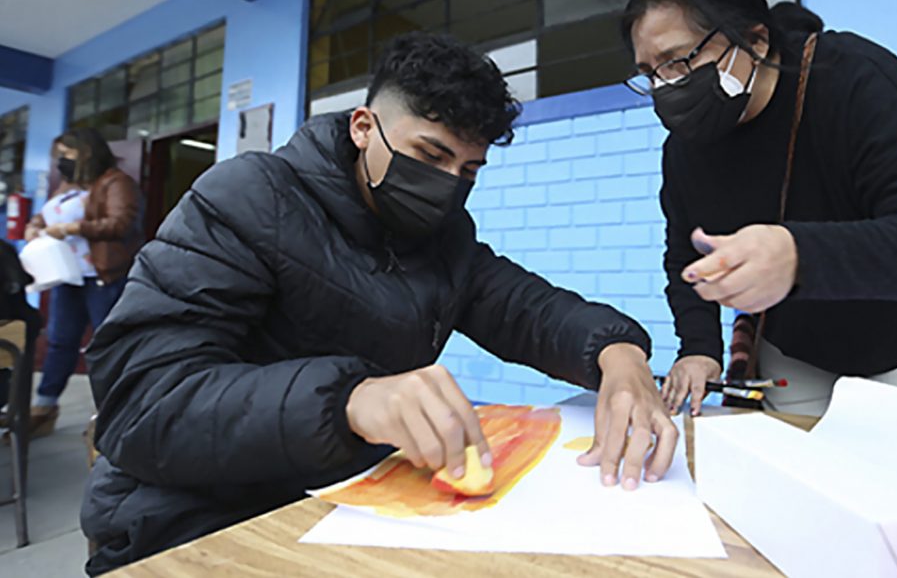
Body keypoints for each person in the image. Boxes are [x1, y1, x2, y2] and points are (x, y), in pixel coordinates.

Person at [81, 32, 677, 574]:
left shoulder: (444, 240)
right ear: (364, 126)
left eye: (469, 169)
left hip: (341, 503)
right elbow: (140, 402)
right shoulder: (249, 197)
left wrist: (618, 352)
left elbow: (529, 310)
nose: (448, 184)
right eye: (430, 155)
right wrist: (351, 400)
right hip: (192, 518)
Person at [621, 0, 897, 417]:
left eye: (679, 61)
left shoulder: (850, 77)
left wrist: (798, 257)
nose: (667, 87)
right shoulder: (684, 150)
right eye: (650, 73)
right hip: (797, 345)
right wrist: (700, 349)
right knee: (794, 467)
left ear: (754, 37)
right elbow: (687, 259)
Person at [21, 129, 140, 437]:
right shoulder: (66, 185)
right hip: (66, 276)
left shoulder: (115, 182)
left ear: (87, 152)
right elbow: (43, 217)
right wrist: (33, 227)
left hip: (102, 276)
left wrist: (74, 227)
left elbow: (120, 223)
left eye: (67, 155)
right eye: (59, 156)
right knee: (60, 341)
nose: (62, 162)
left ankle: (112, 412)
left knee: (107, 344)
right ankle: (45, 407)